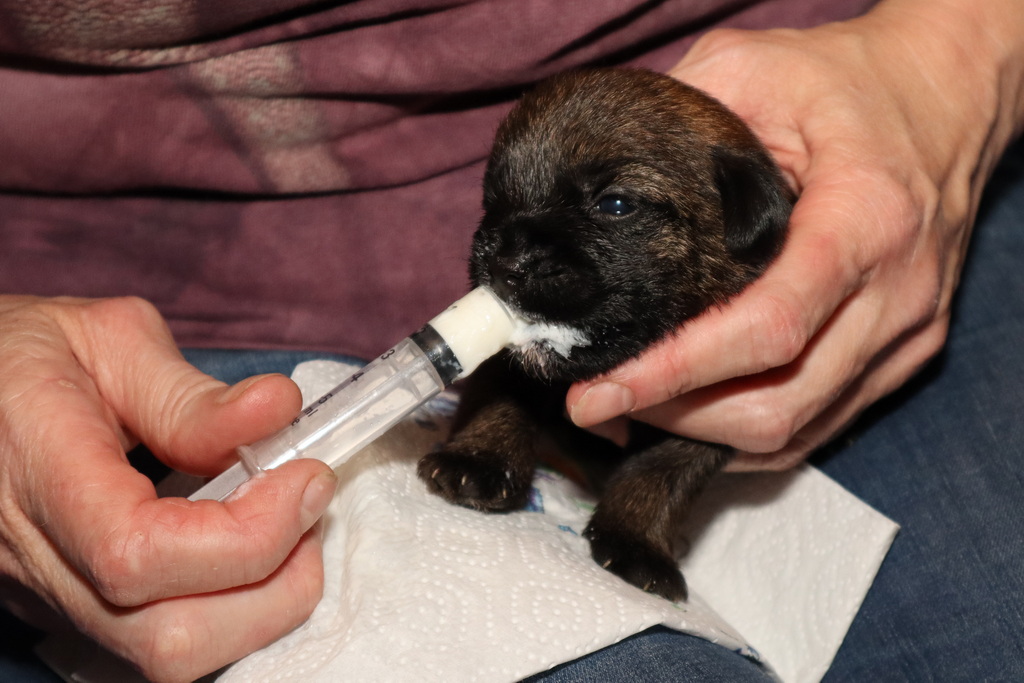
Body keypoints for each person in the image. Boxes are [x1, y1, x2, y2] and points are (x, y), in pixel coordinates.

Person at [1, 0, 1021, 681]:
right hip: (168, 293)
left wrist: (950, 62)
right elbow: (507, 374)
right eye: (500, 210)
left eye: (613, 205)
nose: (511, 251)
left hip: (858, 131)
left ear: (741, 212)